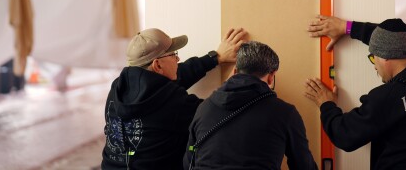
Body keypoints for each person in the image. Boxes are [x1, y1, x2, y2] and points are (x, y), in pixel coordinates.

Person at [305, 16, 406, 170]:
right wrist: (347, 27)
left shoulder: (386, 97)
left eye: (373, 58)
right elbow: (403, 37)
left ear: (384, 57)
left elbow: (344, 135)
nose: (374, 67)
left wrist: (326, 103)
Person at [101, 27, 247, 170]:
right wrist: (232, 85)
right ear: (157, 65)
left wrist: (215, 57)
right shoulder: (173, 102)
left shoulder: (118, 87)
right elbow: (213, 114)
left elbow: (178, 75)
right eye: (173, 54)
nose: (178, 59)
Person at [183, 41, 317, 170]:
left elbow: (188, 162)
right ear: (271, 77)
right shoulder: (285, 113)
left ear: (235, 72)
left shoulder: (204, 108)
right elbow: (303, 165)